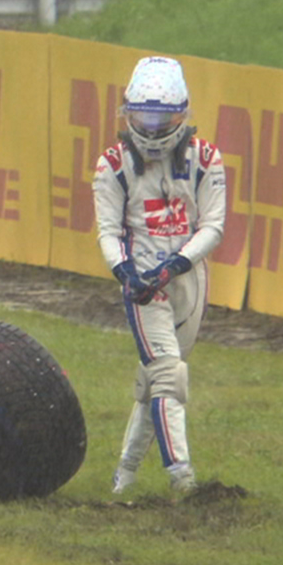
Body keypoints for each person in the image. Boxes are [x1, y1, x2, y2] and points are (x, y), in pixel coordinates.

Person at [92, 55, 227, 496]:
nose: (150, 128)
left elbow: (213, 225)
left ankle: (124, 477)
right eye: (142, 116)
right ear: (127, 112)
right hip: (144, 285)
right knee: (170, 374)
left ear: (181, 115)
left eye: (160, 117)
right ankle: (183, 479)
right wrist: (126, 272)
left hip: (189, 278)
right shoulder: (111, 164)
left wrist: (177, 265)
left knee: (154, 380)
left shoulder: (207, 158)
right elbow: (108, 231)